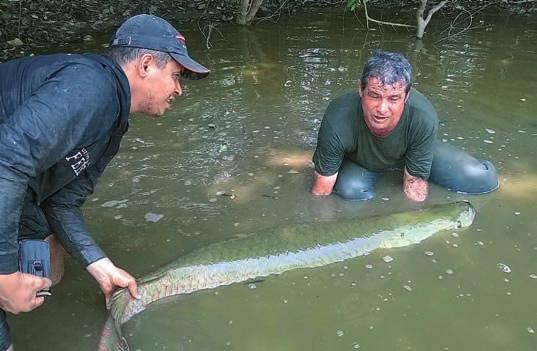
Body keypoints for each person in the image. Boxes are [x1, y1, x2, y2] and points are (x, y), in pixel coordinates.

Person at [0, 14, 209, 351]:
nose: (179, 89)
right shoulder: (90, 87)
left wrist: (100, 265)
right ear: (145, 65)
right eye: (175, 76)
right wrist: (3, 277)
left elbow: (61, 201)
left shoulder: (113, 122)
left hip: (16, 190)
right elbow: (5, 160)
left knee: (47, 269)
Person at [311, 50, 498, 202]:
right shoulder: (338, 116)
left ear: (407, 96)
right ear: (361, 89)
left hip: (411, 152)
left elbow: (414, 185)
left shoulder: (422, 116)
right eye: (374, 96)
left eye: (393, 99)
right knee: (350, 191)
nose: (382, 109)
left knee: (481, 180)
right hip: (364, 161)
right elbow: (322, 190)